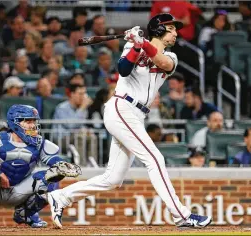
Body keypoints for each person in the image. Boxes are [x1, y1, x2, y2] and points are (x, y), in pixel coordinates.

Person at [47, 13, 212, 229]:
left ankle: (61, 197)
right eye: (171, 29)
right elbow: (123, 70)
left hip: (136, 115)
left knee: (113, 179)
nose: (175, 33)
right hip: (121, 107)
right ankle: (181, 215)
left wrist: (142, 42)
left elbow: (161, 62)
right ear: (159, 30)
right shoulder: (132, 47)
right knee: (155, 159)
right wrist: (135, 46)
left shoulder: (172, 57)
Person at [0, 104, 77, 228]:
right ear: (15, 123)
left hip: (17, 192)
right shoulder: (0, 139)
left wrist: (62, 165)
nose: (33, 125)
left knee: (53, 175)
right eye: (28, 121)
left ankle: (25, 213)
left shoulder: (39, 143)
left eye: (34, 121)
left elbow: (52, 159)